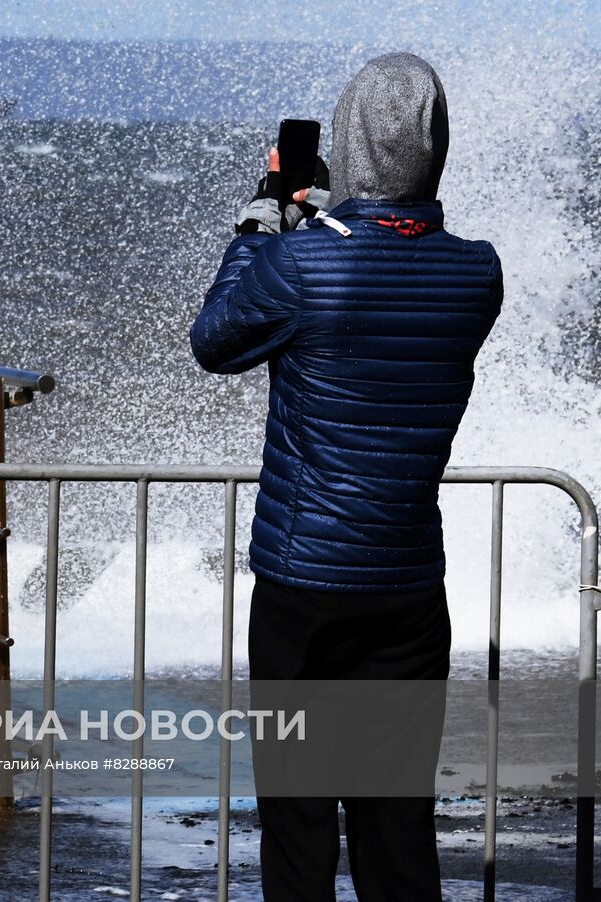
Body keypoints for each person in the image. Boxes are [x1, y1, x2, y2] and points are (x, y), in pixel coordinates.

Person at [189, 53, 503, 901]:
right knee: (396, 827)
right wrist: (340, 221)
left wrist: (262, 221)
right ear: (435, 144)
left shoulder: (299, 267)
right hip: (407, 583)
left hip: (303, 587)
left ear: (349, 139)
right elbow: (394, 266)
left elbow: (215, 340)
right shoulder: (479, 272)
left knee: (297, 823)